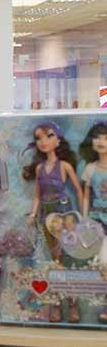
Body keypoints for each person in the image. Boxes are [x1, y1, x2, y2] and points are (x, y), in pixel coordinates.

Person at [23, 121, 83, 323]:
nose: (43, 141)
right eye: (38, 138)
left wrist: (82, 216)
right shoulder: (40, 168)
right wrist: (32, 215)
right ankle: (59, 304)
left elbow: (79, 190)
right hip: (46, 215)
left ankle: (69, 304)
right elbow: (37, 196)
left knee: (63, 259)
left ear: (58, 140)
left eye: (49, 136)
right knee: (55, 261)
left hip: (63, 213)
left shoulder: (64, 166)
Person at [79, 121, 107, 323]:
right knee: (103, 262)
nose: (101, 141)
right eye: (97, 137)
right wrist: (84, 219)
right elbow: (86, 195)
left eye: (105, 138)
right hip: (98, 221)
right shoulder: (90, 169)